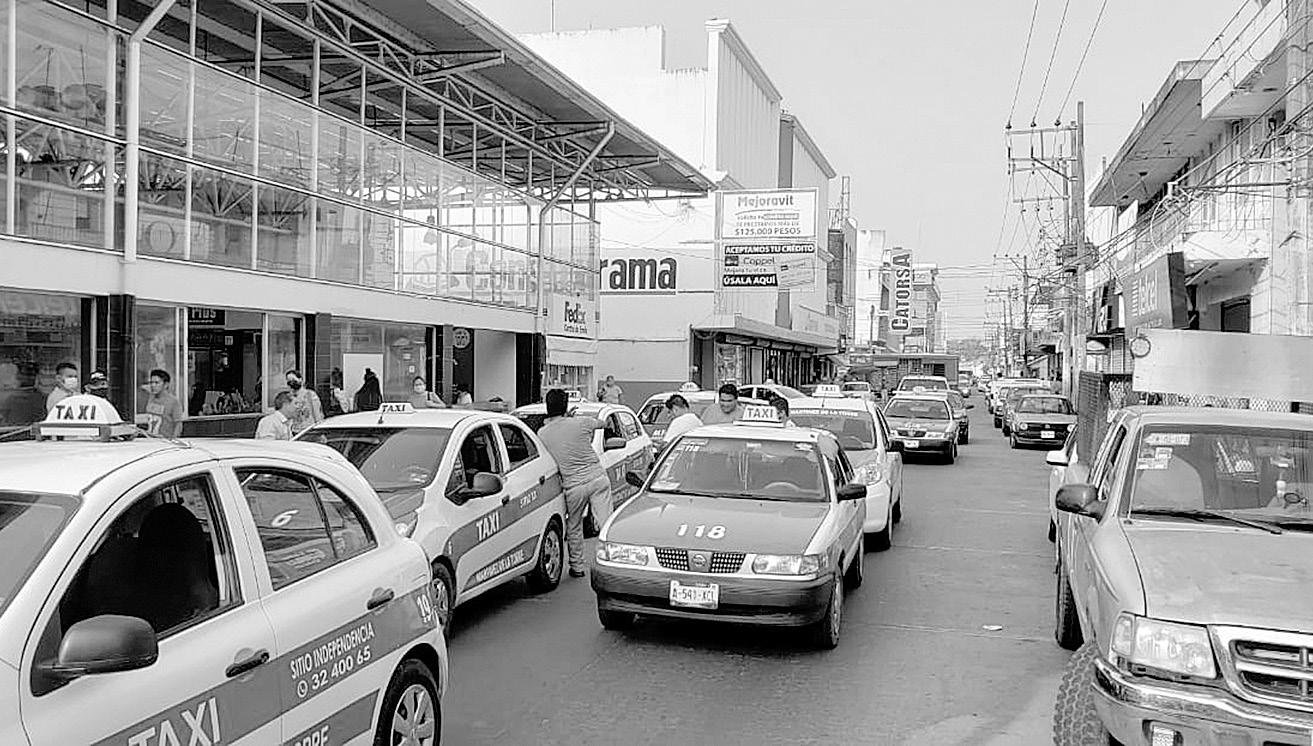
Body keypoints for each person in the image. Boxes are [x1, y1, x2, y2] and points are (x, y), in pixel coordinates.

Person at [537, 389, 611, 578]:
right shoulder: (581, 423)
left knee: (574, 526)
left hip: (573, 486)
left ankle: (577, 567)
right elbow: (605, 423)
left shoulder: (542, 433)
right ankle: (612, 561)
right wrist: (572, 419)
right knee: (606, 523)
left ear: (547, 407)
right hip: (597, 479)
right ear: (566, 405)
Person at [143, 369, 186, 437]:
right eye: (151, 382)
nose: (153, 385)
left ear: (166, 384)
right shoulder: (151, 398)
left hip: (165, 441)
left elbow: (178, 424)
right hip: (150, 439)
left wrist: (174, 439)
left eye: (157, 383)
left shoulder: (173, 402)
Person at [283, 369, 323, 433]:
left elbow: (317, 414)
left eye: (294, 380)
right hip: (294, 431)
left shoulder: (310, 395)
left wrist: (319, 429)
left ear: (300, 379)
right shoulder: (289, 397)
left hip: (309, 431)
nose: (292, 383)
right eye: (289, 381)